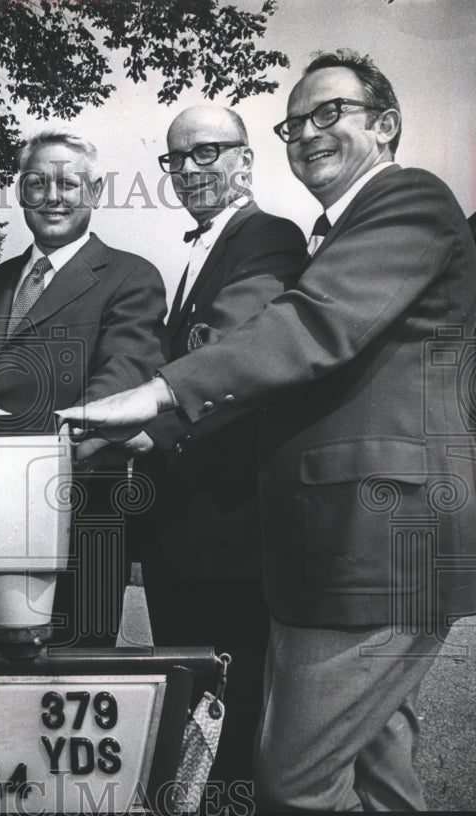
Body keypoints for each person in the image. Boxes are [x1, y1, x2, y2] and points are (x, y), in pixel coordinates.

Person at [58, 50, 476, 810]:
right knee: (383, 770)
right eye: (296, 121)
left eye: (332, 113)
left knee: (292, 780)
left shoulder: (409, 199)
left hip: (378, 546)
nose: (309, 132)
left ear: (386, 126)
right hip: (342, 544)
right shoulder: (339, 228)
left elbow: (308, 326)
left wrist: (158, 395)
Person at [142, 105, 305, 789]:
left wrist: (135, 422)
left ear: (246, 159)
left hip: (229, 538)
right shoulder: (200, 249)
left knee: (225, 727)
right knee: (189, 721)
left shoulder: (269, 235)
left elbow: (231, 347)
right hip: (184, 536)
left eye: (207, 152)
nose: (189, 169)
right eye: (177, 158)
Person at [0, 129, 168, 647]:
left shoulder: (130, 276)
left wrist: (31, 466)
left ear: (94, 193)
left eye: (68, 183)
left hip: (84, 518)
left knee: (75, 681)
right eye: (37, 183)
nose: (52, 196)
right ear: (20, 192)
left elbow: (119, 381)